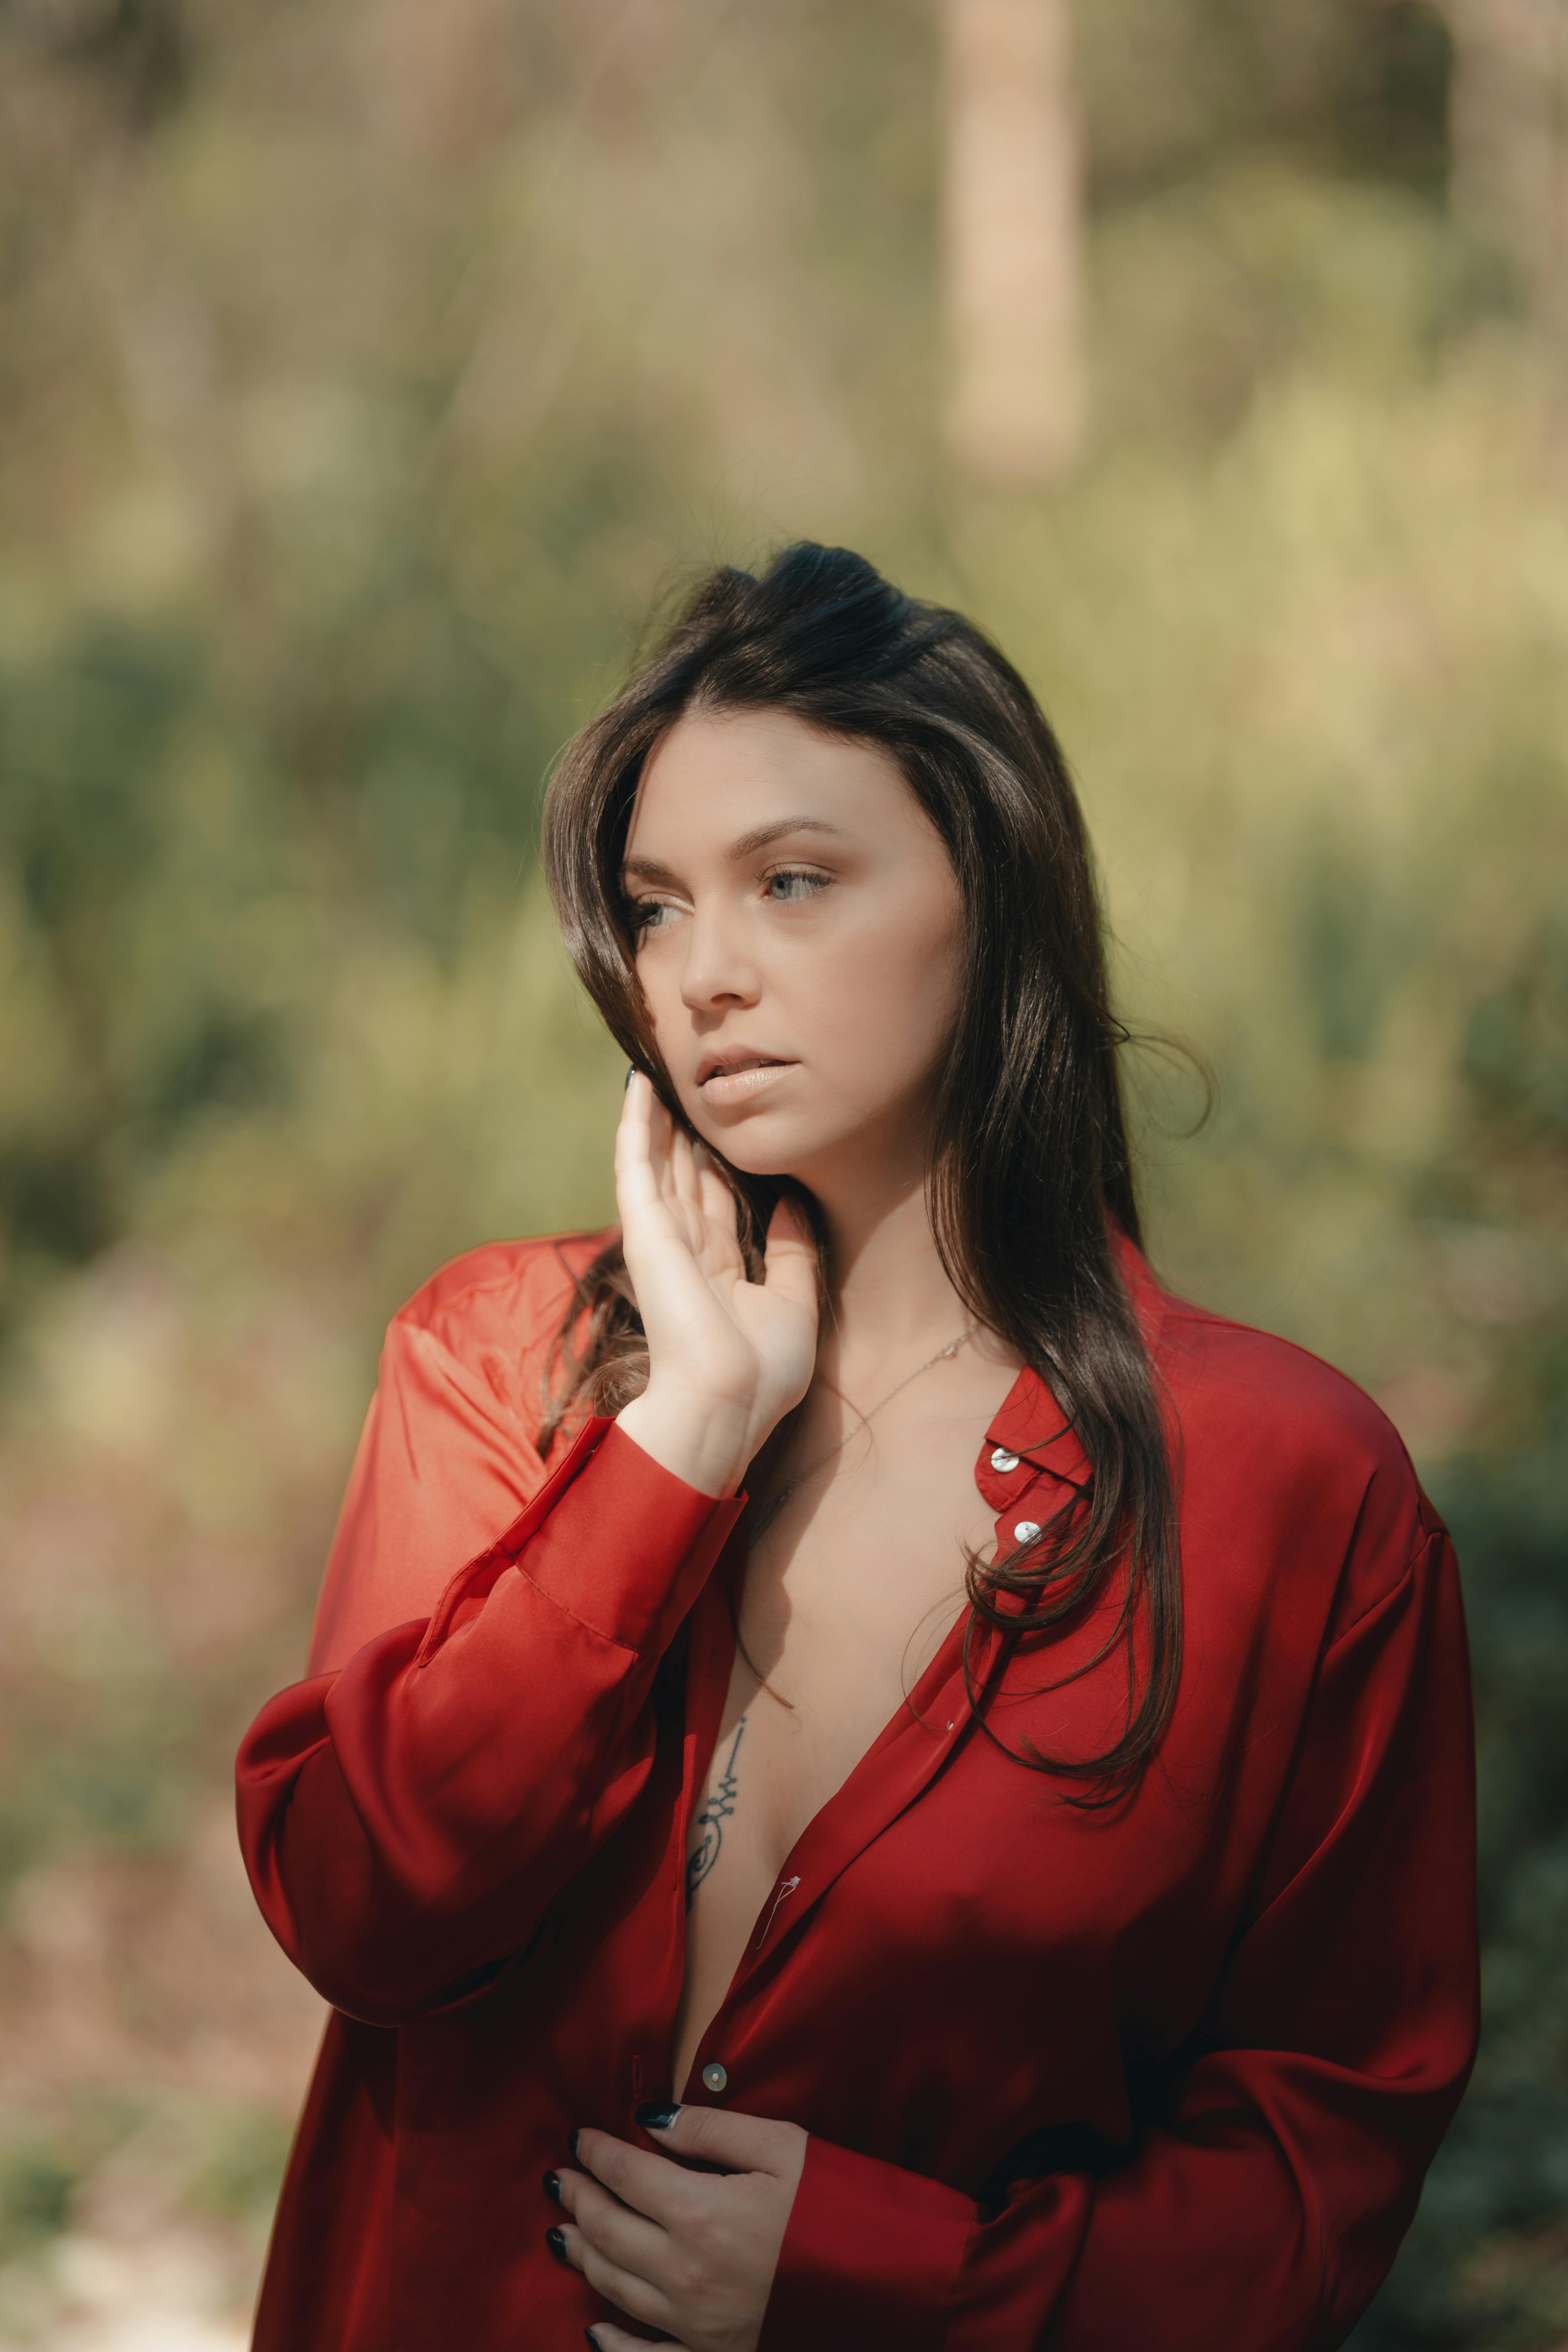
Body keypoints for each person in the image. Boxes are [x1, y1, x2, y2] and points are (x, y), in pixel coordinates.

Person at [236, 543, 1478, 2352]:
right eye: (655, 908)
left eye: (793, 883)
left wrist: (882, 2284)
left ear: (993, 894)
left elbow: (1317, 2166)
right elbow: (364, 1903)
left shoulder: (1293, 1492)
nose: (705, 974)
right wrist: (683, 1440)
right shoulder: (497, 1358)